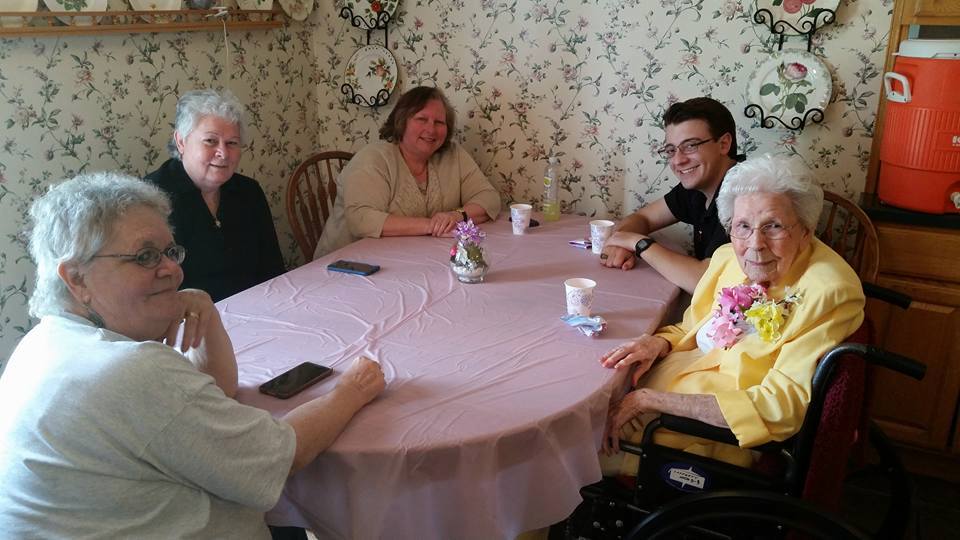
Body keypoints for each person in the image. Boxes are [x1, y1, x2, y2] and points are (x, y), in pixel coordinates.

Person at [0, 172, 385, 538]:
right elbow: (283, 455)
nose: (173, 270)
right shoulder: (129, 370)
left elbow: (214, 392)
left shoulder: (42, 343)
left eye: (170, 252)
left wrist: (205, 310)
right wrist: (351, 390)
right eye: (145, 256)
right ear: (76, 278)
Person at [597, 154, 865, 472]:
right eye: (743, 226)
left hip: (705, 435)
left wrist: (648, 401)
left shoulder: (828, 291)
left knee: (581, 453)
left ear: (806, 231)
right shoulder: (727, 258)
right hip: (663, 393)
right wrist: (658, 342)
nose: (755, 244)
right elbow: (693, 328)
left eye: (774, 226)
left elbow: (781, 407)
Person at [313, 86, 501, 259]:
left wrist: (456, 216)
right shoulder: (373, 158)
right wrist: (431, 226)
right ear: (401, 122)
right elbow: (361, 219)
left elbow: (489, 198)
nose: (431, 129)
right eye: (421, 119)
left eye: (439, 122)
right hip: (347, 265)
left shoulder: (454, 155)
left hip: (409, 258)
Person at [146, 89, 285, 302]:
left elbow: (272, 270)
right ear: (181, 142)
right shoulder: (151, 200)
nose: (223, 153)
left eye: (232, 143)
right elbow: (152, 291)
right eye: (210, 141)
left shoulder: (249, 192)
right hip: (189, 316)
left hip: (257, 308)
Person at [600, 97, 743, 294]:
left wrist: (638, 244)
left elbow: (707, 282)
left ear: (724, 144)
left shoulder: (745, 196)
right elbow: (643, 218)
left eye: (690, 146)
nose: (678, 160)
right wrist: (620, 243)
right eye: (671, 150)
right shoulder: (698, 186)